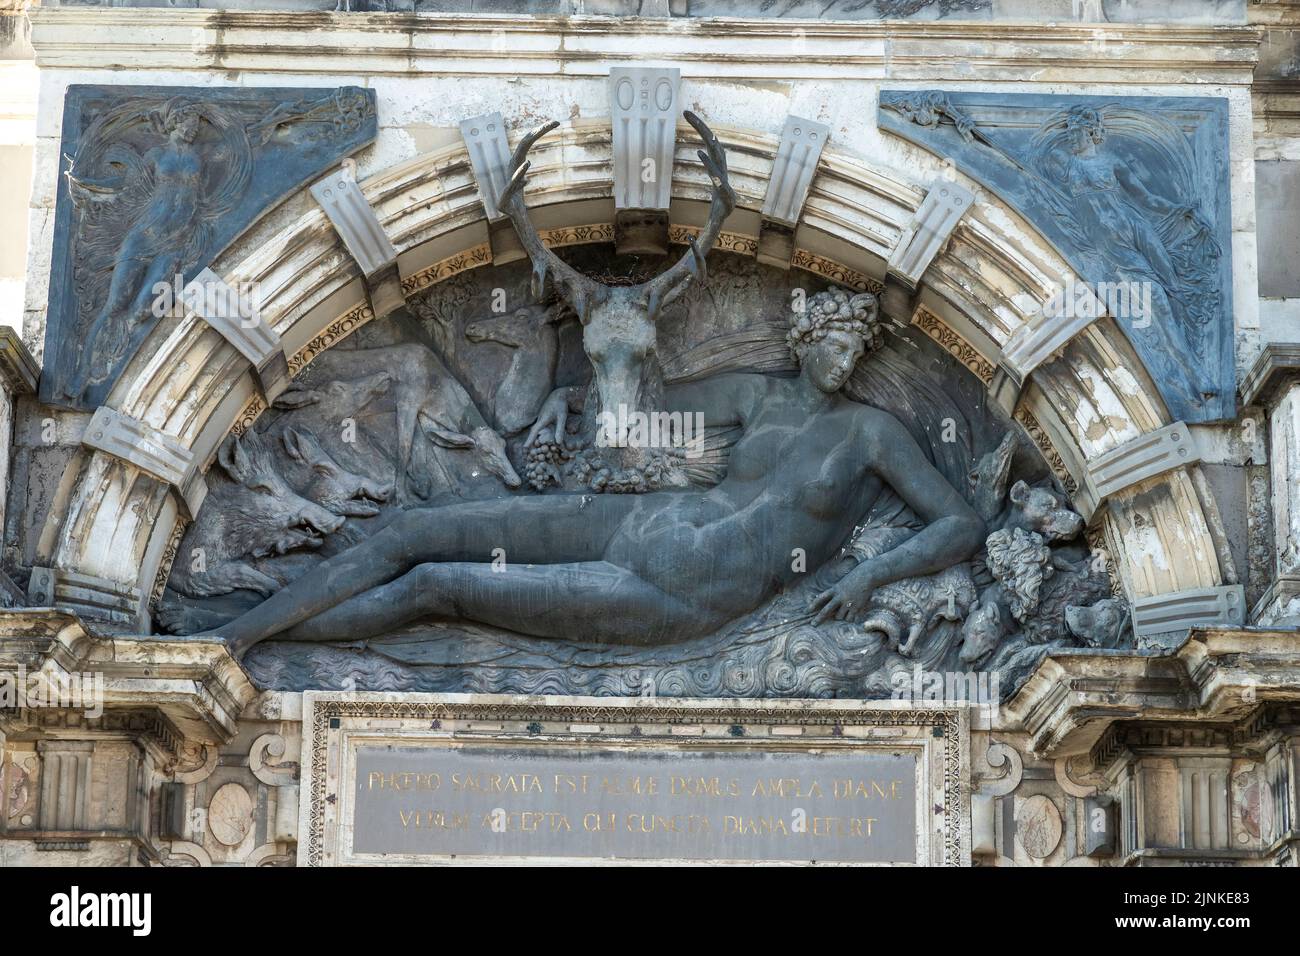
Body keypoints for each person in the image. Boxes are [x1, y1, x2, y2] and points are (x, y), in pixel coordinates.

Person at [212, 288, 985, 659]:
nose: (846, 358)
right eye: (834, 341)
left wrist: (870, 575)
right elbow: (625, 410)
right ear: (806, 336)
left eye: (857, 348)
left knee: (434, 585)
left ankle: (257, 642)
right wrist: (558, 403)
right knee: (413, 527)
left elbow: (960, 523)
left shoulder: (872, 432)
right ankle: (233, 633)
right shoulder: (756, 396)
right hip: (644, 522)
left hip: (692, 589)